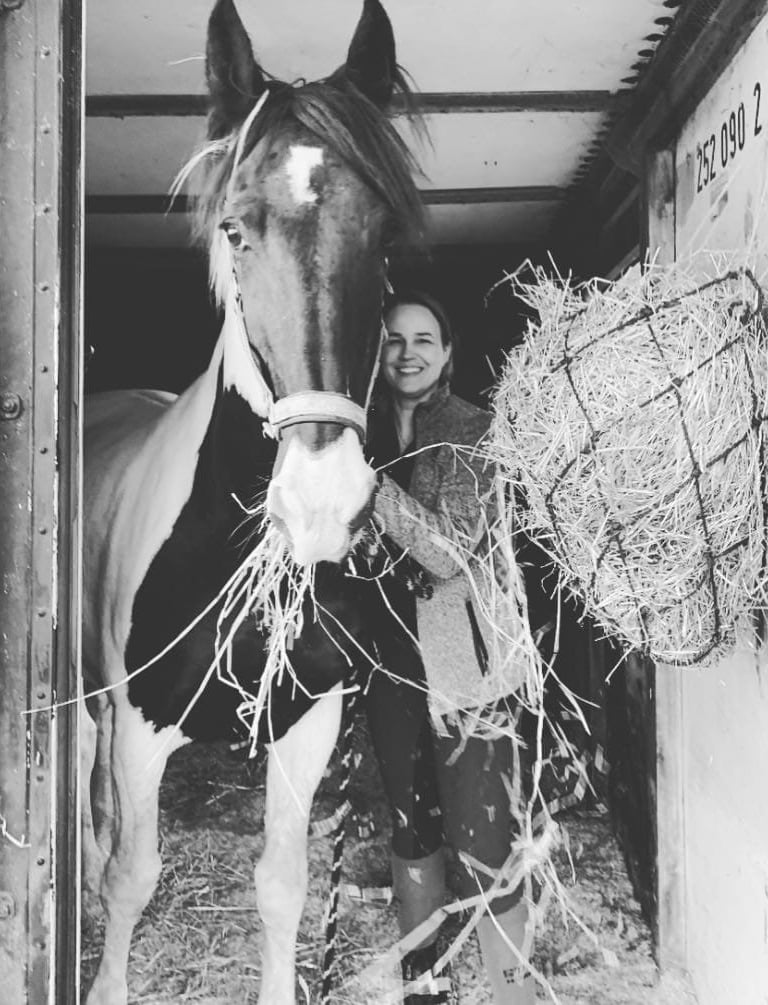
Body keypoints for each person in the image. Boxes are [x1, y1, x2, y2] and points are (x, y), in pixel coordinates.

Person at [362, 291, 536, 1004]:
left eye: (423, 338)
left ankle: (512, 990)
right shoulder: (361, 429)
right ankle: (425, 985)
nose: (408, 352)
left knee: (485, 840)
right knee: (411, 828)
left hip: (470, 670)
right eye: (394, 339)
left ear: (449, 351)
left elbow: (449, 549)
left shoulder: (473, 429)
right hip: (389, 665)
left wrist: (365, 485)